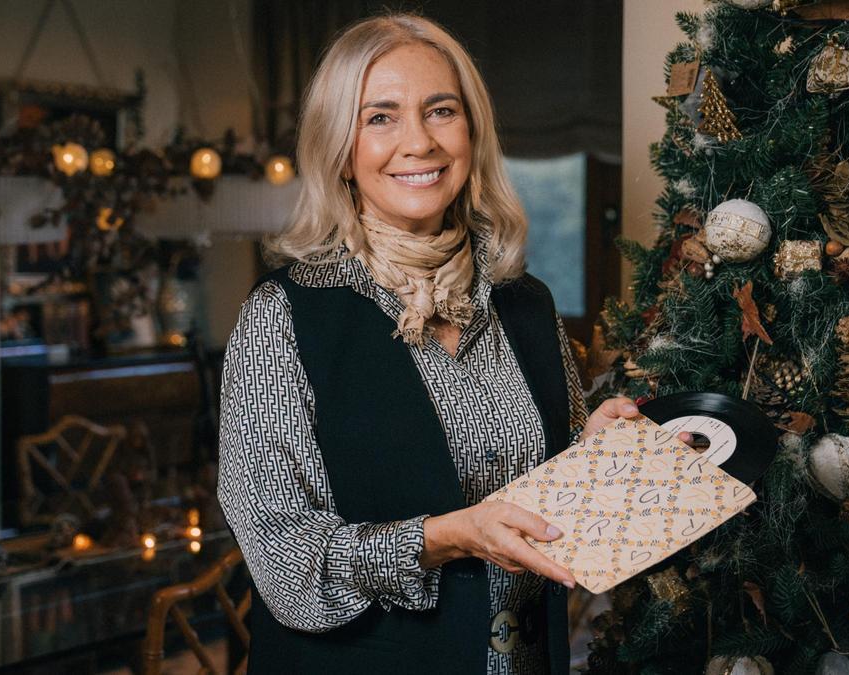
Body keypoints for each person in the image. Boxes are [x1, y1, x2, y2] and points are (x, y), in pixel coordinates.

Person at [217, 13, 642, 674]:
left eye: (440, 110)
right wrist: (443, 538)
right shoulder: (280, 317)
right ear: (340, 147)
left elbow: (552, 501)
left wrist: (598, 452)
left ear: (472, 132)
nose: (417, 141)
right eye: (380, 116)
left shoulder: (526, 303)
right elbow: (285, 561)